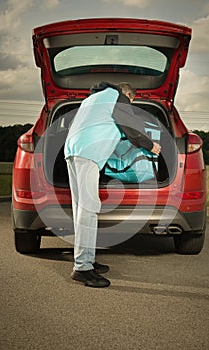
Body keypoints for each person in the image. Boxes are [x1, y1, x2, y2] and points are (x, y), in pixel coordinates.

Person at [64, 81, 161, 288]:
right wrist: (150, 145)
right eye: (131, 100)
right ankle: (82, 268)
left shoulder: (92, 100)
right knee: (89, 210)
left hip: (73, 150)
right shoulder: (116, 96)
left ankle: (87, 260)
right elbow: (130, 127)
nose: (129, 104)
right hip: (87, 153)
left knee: (81, 208)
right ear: (128, 93)